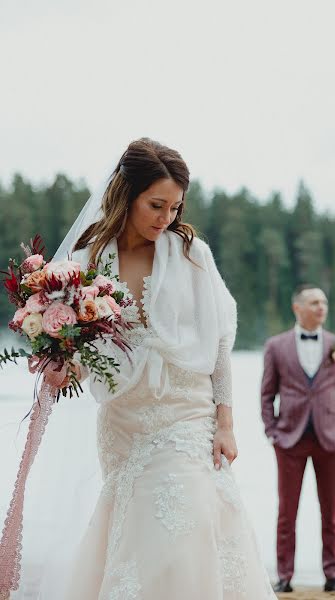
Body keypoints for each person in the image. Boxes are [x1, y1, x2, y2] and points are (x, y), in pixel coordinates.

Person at [4, 138, 276, 599]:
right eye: (156, 205)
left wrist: (226, 422)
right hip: (124, 423)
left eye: (175, 207)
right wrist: (62, 364)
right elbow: (87, 357)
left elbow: (220, 342)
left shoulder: (192, 256)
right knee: (137, 534)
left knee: (186, 523)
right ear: (127, 194)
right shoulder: (85, 266)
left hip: (189, 416)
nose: (166, 218)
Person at [261, 284, 335, 594]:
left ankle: (333, 575)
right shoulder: (276, 347)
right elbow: (266, 395)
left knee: (330, 511)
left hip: (332, 441)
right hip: (289, 440)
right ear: (297, 308)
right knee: (287, 511)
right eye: (315, 302)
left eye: (324, 302)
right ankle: (285, 576)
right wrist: (273, 432)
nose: (322, 307)